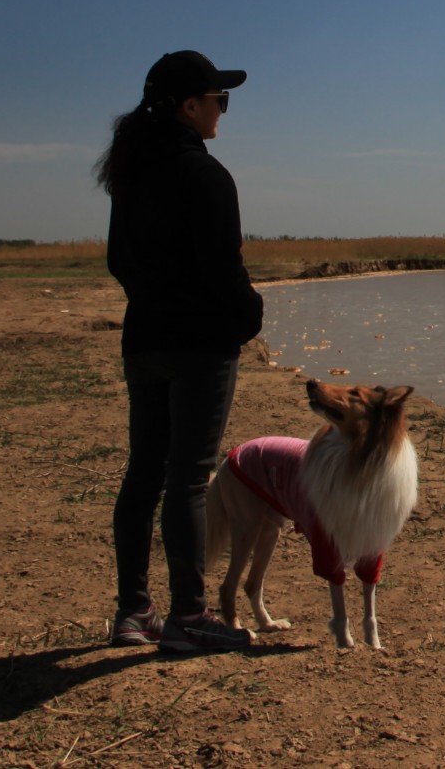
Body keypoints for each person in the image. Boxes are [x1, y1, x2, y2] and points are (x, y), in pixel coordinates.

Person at [95, 50, 265, 654]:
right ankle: (188, 618)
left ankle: (133, 613)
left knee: (145, 473)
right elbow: (225, 268)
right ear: (189, 106)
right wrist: (248, 317)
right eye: (219, 98)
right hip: (200, 346)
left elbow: (120, 261)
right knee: (190, 478)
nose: (223, 108)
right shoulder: (204, 174)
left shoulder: (131, 174)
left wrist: (157, 302)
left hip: (145, 339)